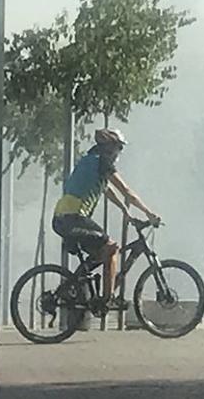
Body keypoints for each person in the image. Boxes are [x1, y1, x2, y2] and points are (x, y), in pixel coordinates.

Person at [52, 129, 160, 313]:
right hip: (73, 217)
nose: (119, 153)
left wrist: (125, 210)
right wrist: (150, 213)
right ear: (109, 147)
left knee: (102, 252)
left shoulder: (91, 160)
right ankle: (107, 300)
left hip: (64, 218)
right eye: (119, 148)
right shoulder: (102, 163)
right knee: (112, 247)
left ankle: (75, 287)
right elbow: (127, 191)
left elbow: (106, 189)